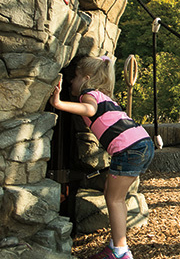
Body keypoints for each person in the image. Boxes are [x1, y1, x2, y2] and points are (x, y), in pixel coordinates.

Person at [50, 56, 155, 259]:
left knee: (113, 198)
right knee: (113, 193)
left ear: (87, 78)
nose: (72, 81)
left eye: (76, 76)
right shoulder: (104, 96)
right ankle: (116, 244)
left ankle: (120, 252)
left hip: (128, 149)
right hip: (142, 143)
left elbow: (89, 110)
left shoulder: (88, 95)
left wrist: (59, 103)